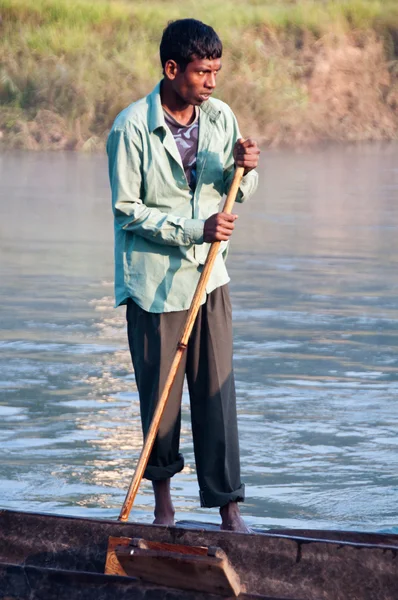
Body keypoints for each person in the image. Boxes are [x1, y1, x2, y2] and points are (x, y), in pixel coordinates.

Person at [107, 18, 260, 532]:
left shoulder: (220, 118)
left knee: (217, 393)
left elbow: (235, 191)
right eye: (201, 72)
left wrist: (248, 168)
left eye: (216, 71)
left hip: (209, 278)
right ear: (172, 69)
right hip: (154, 285)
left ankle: (229, 508)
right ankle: (163, 508)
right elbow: (128, 211)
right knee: (162, 402)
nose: (212, 83)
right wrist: (198, 227)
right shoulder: (131, 127)